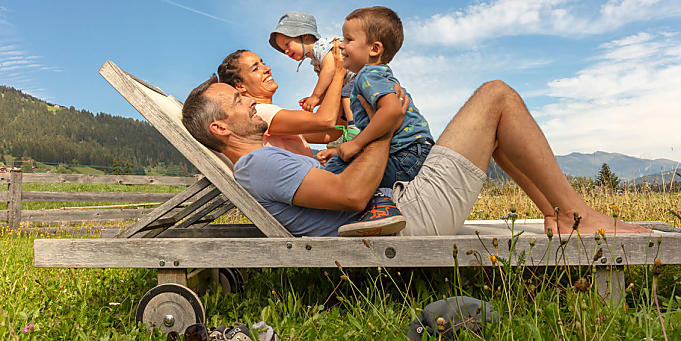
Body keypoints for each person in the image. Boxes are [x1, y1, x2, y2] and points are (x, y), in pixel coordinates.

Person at [184, 61, 649, 238]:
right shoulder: (259, 163)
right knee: (496, 96)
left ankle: (562, 213)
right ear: (222, 128)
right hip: (409, 220)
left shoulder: (261, 160)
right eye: (239, 99)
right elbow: (350, 197)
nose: (250, 100)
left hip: (401, 209)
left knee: (493, 117)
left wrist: (348, 147)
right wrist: (384, 128)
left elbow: (334, 183)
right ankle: (578, 217)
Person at [320, 6, 434, 190]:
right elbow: (378, 130)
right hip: (412, 153)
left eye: (348, 39)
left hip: (406, 156)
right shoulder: (376, 74)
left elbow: (392, 111)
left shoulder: (368, 74)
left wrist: (356, 144)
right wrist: (342, 150)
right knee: (342, 163)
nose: (341, 45)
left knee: (336, 171)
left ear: (374, 49)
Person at [217, 48, 345, 158]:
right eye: (255, 69)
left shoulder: (271, 119)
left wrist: (344, 88)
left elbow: (329, 134)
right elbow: (325, 120)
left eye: (263, 63)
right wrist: (339, 73)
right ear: (240, 86)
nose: (267, 68)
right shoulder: (258, 113)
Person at [268, 11, 359, 148]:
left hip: (357, 76)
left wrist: (315, 96)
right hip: (348, 83)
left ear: (304, 35)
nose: (286, 52)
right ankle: (348, 131)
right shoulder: (316, 62)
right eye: (283, 50)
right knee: (339, 98)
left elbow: (329, 70)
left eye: (287, 45)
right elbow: (330, 86)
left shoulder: (321, 47)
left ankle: (354, 128)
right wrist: (318, 101)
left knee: (345, 95)